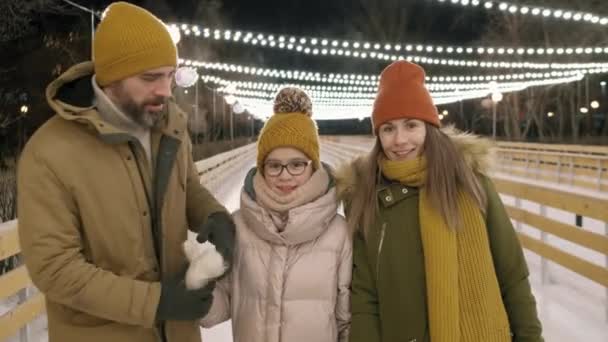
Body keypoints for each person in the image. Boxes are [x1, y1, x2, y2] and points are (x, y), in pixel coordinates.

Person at [17, 3, 235, 342]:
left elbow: (187, 186)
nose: (165, 90)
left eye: (169, 75)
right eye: (150, 78)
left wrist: (214, 214)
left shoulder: (171, 125)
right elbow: (55, 270)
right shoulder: (49, 153)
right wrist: (157, 302)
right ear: (110, 78)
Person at [337, 60, 543, 342]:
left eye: (411, 125)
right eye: (388, 128)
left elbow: (513, 276)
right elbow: (364, 295)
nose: (399, 140)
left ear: (429, 128)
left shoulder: (472, 185)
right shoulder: (365, 198)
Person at [200, 87, 352, 342]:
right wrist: (198, 292)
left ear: (313, 166)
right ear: (262, 167)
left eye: (296, 165)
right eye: (274, 165)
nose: (284, 175)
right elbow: (221, 304)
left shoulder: (339, 233)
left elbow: (346, 319)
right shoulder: (238, 225)